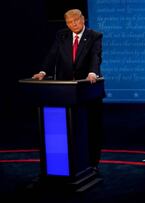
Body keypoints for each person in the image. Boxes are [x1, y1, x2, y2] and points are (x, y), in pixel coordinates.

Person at [32, 9, 105, 171]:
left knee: (91, 129)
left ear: (83, 19)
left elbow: (96, 56)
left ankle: (92, 164)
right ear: (66, 23)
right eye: (70, 22)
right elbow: (52, 55)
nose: (74, 24)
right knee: (69, 129)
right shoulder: (62, 35)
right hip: (64, 91)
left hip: (88, 90)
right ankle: (70, 164)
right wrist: (43, 72)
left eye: (76, 21)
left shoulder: (95, 36)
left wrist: (92, 72)